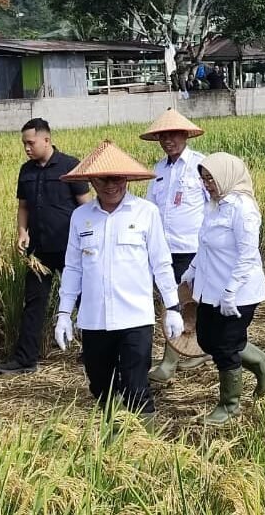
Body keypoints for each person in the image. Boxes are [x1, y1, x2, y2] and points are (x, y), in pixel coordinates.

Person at [54, 140, 184, 418]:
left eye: (117, 179)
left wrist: (172, 307)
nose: (111, 185)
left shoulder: (146, 213)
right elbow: (73, 267)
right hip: (94, 318)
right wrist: (64, 312)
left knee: (137, 385)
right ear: (91, 180)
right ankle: (113, 437)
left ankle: (146, 445)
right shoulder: (80, 217)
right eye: (103, 179)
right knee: (101, 384)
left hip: (135, 316)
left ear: (127, 178)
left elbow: (161, 263)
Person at [184, 152, 265, 424]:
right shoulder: (213, 205)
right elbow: (205, 245)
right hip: (209, 287)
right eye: (204, 179)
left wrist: (231, 291)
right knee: (206, 339)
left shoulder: (243, 208)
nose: (207, 184)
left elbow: (247, 254)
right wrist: (191, 270)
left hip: (238, 291)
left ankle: (230, 405)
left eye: (211, 178)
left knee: (225, 346)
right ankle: (263, 362)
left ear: (226, 175)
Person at [0, 118, 92, 376]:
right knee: (34, 303)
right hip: (39, 251)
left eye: (30, 142)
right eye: (24, 143)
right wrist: (21, 232)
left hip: (69, 247)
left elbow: (85, 205)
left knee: (85, 299)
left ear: (46, 140)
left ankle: (93, 351)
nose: (26, 148)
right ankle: (26, 359)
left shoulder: (70, 166)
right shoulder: (26, 171)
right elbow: (23, 206)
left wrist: (88, 239)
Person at [141, 109, 211, 382]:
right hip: (164, 247)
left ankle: (172, 361)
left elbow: (213, 203)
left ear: (185, 135)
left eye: (173, 134)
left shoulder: (200, 165)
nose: (168, 140)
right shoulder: (158, 170)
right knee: (172, 301)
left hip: (192, 246)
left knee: (187, 301)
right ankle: (189, 351)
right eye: (163, 136)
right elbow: (150, 208)